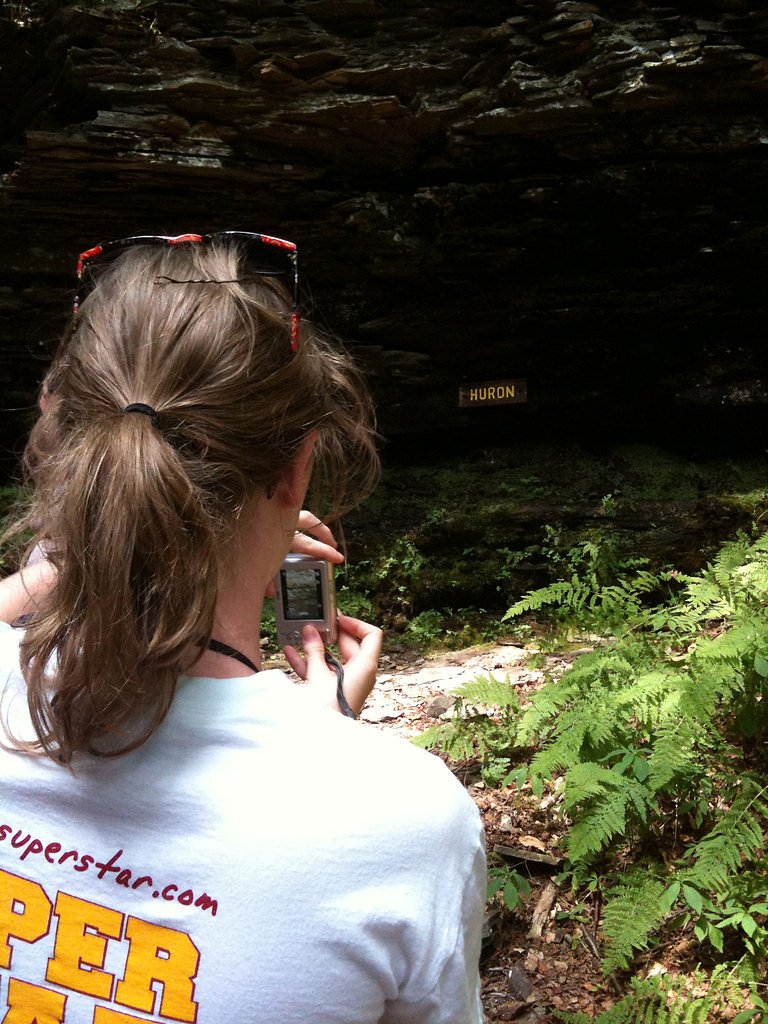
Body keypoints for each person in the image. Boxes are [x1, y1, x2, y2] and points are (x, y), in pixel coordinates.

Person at [0, 232, 486, 1023]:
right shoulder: (403, 822)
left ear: (58, 438)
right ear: (298, 470)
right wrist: (325, 744)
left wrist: (64, 558)